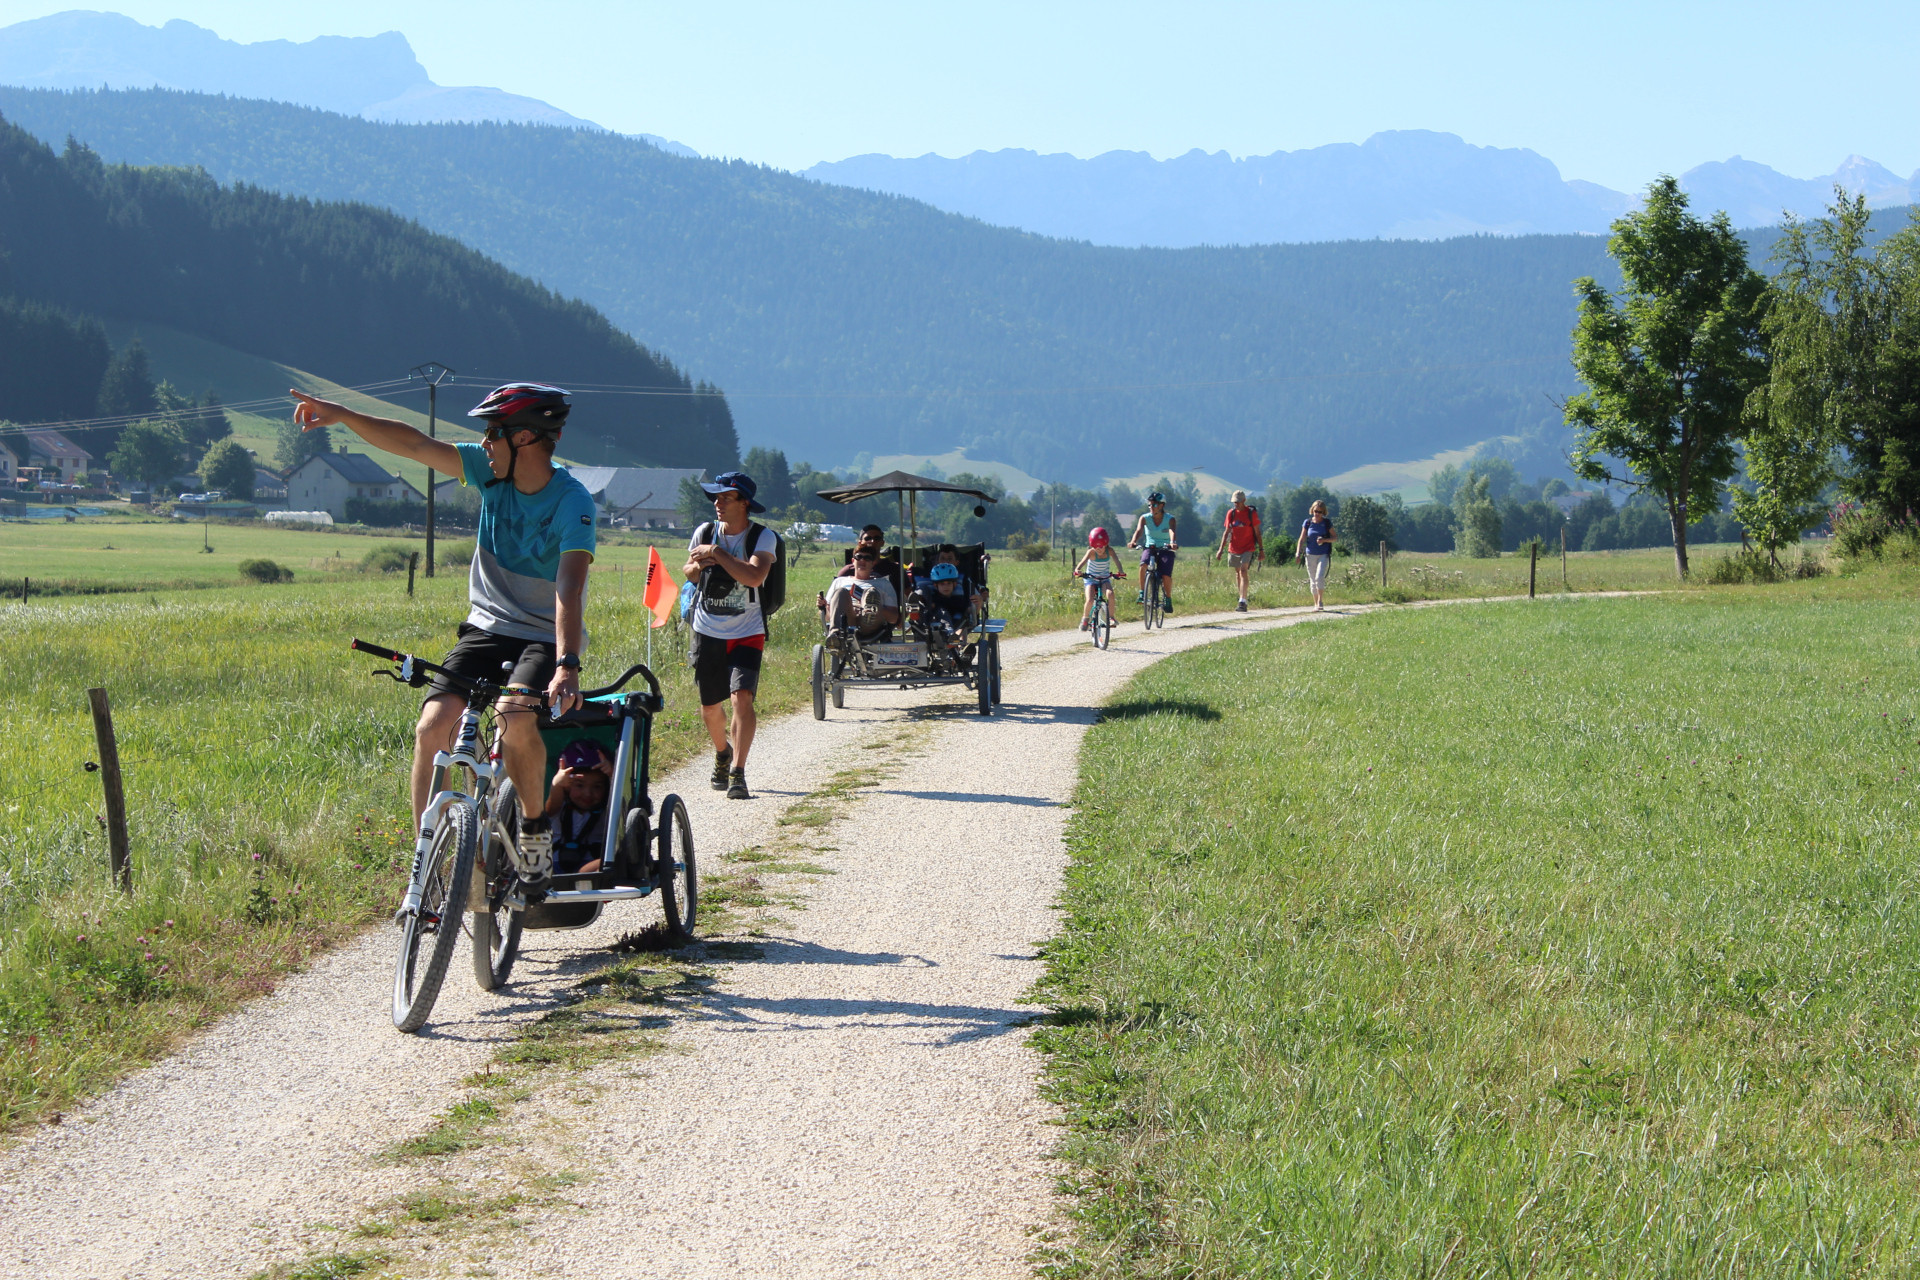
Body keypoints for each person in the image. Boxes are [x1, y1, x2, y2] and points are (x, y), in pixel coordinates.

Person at [289, 382, 593, 895]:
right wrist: (340, 415)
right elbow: (411, 444)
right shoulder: (488, 472)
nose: (484, 442)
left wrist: (566, 663)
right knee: (432, 727)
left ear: (524, 438)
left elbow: (569, 584)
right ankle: (429, 861)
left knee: (515, 716)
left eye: (493, 432)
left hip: (543, 635)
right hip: (487, 627)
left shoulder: (572, 501)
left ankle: (535, 826)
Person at [685, 471, 779, 801]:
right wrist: (701, 563)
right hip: (707, 630)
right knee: (710, 708)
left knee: (742, 698)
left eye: (725, 497)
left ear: (744, 503)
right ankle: (722, 752)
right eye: (716, 497)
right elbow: (689, 570)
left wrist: (718, 554)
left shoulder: (763, 538)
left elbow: (754, 576)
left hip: (747, 631)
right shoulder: (705, 531)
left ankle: (738, 772)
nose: (717, 503)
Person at [544, 740, 613, 876]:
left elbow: (621, 800)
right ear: (567, 785)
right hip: (554, 866)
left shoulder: (607, 808)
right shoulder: (560, 807)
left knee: (608, 863)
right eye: (579, 785)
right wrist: (557, 785)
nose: (588, 794)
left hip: (590, 866)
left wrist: (612, 775)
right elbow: (551, 808)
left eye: (597, 786)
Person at [823, 546, 901, 644]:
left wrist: (875, 607)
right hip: (848, 618)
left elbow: (893, 618)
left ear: (873, 563)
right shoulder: (840, 581)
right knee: (841, 592)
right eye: (858, 557)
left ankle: (869, 611)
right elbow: (827, 616)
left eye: (867, 558)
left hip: (872, 621)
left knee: (871, 593)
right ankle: (834, 634)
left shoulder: (883, 583)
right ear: (853, 561)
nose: (862, 560)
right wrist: (822, 606)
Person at [1214, 489, 1264, 612]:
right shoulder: (1231, 514)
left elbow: (1257, 532)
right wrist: (1220, 549)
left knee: (1243, 570)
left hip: (1248, 547)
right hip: (1234, 548)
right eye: (1234, 502)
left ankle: (1243, 600)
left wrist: (1261, 550)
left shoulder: (1251, 513)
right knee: (1238, 573)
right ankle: (1241, 597)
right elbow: (1226, 532)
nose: (1236, 504)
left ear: (1244, 501)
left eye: (1238, 502)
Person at [1129, 492, 1179, 613]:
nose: (1151, 507)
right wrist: (1133, 541)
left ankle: (1167, 598)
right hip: (1149, 547)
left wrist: (1172, 542)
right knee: (1143, 565)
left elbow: (1172, 531)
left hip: (1165, 548)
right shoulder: (1144, 518)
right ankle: (1142, 593)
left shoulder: (1170, 519)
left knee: (1166, 574)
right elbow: (1139, 530)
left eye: (1155, 505)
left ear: (1162, 505)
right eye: (1150, 505)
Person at [1072, 526, 1128, 631]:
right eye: (1096, 547)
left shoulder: (1110, 551)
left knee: (1110, 594)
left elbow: (1117, 561)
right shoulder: (1091, 552)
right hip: (1090, 579)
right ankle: (1085, 618)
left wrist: (1120, 571)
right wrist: (1078, 570)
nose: (1099, 550)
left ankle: (1111, 617)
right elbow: (1081, 564)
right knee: (1089, 600)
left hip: (1104, 578)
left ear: (1106, 544)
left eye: (1102, 547)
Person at [1295, 498, 1336, 611]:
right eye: (1315, 511)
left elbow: (1334, 537)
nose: (1317, 514)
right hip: (1310, 554)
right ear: (1312, 510)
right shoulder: (1307, 523)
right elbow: (1302, 538)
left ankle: (1320, 601)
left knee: (1319, 577)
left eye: (1320, 512)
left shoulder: (1326, 523)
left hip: (1323, 554)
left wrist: (1324, 540)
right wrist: (1298, 552)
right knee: (1313, 580)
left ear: (1323, 512)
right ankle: (1315, 603)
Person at [919, 561, 973, 634]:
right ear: (935, 585)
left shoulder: (958, 599)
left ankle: (949, 632)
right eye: (942, 584)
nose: (946, 587)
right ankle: (917, 598)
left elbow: (965, 608)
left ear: (954, 584)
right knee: (923, 588)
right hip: (929, 619)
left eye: (949, 583)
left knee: (943, 613)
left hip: (950, 621)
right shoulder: (933, 597)